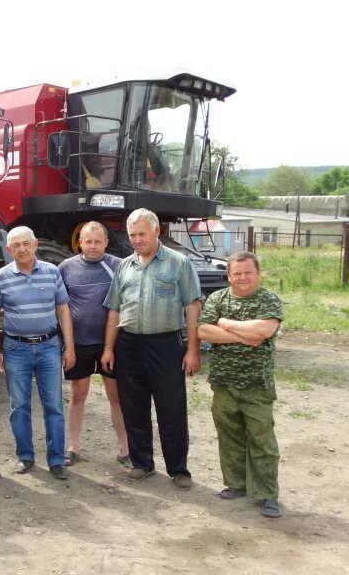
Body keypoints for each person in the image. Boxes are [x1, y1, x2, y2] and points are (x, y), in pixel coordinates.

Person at [101, 208, 201, 490]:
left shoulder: (178, 263)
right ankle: (142, 463)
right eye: (132, 235)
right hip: (129, 345)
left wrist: (192, 350)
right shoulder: (124, 266)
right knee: (133, 407)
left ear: (157, 231)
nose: (136, 240)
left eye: (141, 234)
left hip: (165, 344)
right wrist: (109, 349)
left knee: (172, 408)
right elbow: (114, 310)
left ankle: (178, 469)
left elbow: (192, 307)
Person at [197, 251, 284, 518]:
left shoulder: (268, 299)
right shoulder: (217, 298)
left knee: (262, 440)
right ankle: (236, 483)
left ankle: (268, 493)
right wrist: (243, 336)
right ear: (229, 275)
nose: (242, 278)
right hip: (224, 383)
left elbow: (264, 331)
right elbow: (202, 331)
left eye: (248, 272)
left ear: (258, 273)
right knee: (230, 436)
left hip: (256, 384)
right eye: (237, 273)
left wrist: (225, 324)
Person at [0, 226, 76, 480]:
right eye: (16, 245)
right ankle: (25, 457)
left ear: (36, 244)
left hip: (49, 347)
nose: (22, 249)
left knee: (54, 407)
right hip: (16, 349)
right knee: (19, 407)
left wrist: (69, 347)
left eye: (26, 243)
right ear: (9, 249)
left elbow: (63, 311)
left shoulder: (51, 272)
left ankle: (57, 460)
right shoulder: (2, 277)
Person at [58, 221, 129, 467]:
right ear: (80, 242)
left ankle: (124, 449)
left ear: (106, 243)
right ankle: (73, 446)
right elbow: (60, 307)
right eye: (88, 241)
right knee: (78, 394)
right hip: (79, 343)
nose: (93, 246)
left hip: (112, 344)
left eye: (98, 241)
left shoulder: (118, 266)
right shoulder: (66, 268)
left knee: (116, 395)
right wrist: (67, 346)